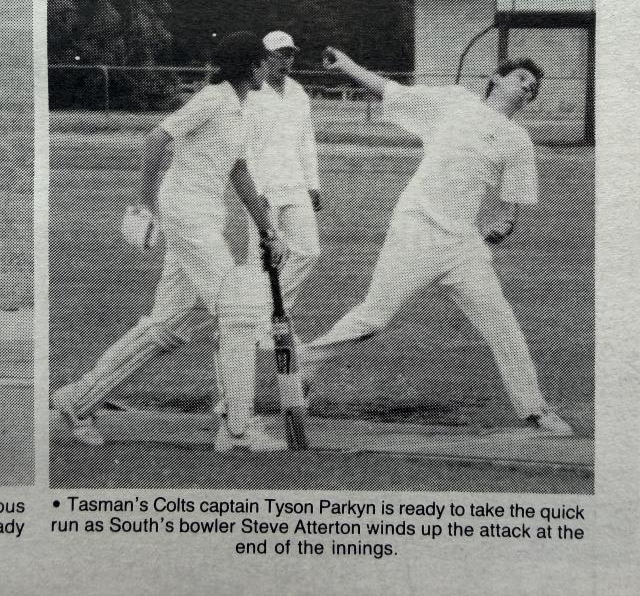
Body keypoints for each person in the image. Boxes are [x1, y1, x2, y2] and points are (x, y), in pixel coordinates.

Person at [302, 48, 574, 437]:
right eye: (521, 79)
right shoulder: (455, 102)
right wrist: (347, 66)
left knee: (503, 325)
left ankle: (535, 411)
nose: (527, 87)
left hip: (463, 244)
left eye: (533, 88)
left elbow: (512, 203)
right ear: (496, 79)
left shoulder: (518, 140)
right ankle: (305, 361)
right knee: (375, 316)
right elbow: (391, 91)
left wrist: (504, 223)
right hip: (417, 228)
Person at [52, 32, 289, 451]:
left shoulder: (240, 109)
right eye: (264, 62)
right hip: (187, 216)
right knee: (239, 311)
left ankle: (78, 399)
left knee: (168, 324)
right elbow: (156, 139)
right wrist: (144, 204)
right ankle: (237, 428)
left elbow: (238, 172)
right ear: (252, 66)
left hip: (205, 217)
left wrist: (268, 228)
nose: (269, 69)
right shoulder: (213, 99)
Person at [244, 30, 321, 319]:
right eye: (279, 56)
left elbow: (306, 141)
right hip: (263, 189)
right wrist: (256, 191)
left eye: (289, 55)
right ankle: (255, 322)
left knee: (308, 252)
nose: (285, 62)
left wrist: (313, 183)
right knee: (260, 261)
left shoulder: (298, 93)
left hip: (295, 185)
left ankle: (268, 316)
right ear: (264, 58)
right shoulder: (251, 93)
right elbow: (246, 148)